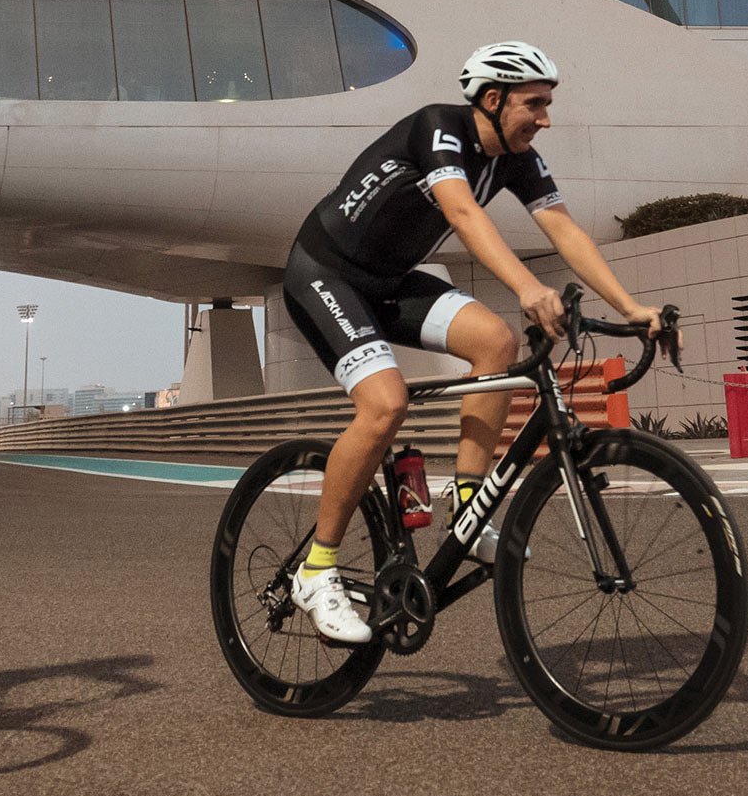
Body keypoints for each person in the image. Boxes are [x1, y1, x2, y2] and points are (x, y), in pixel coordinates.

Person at [276, 41, 658, 645]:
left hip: (392, 283)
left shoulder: (517, 158)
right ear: (492, 98)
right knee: (384, 405)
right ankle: (316, 571)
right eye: (534, 103)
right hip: (325, 275)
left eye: (548, 104)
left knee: (496, 342)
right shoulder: (439, 129)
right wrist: (529, 286)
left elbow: (563, 228)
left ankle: (468, 505)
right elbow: (461, 212)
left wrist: (634, 308)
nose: (545, 118)